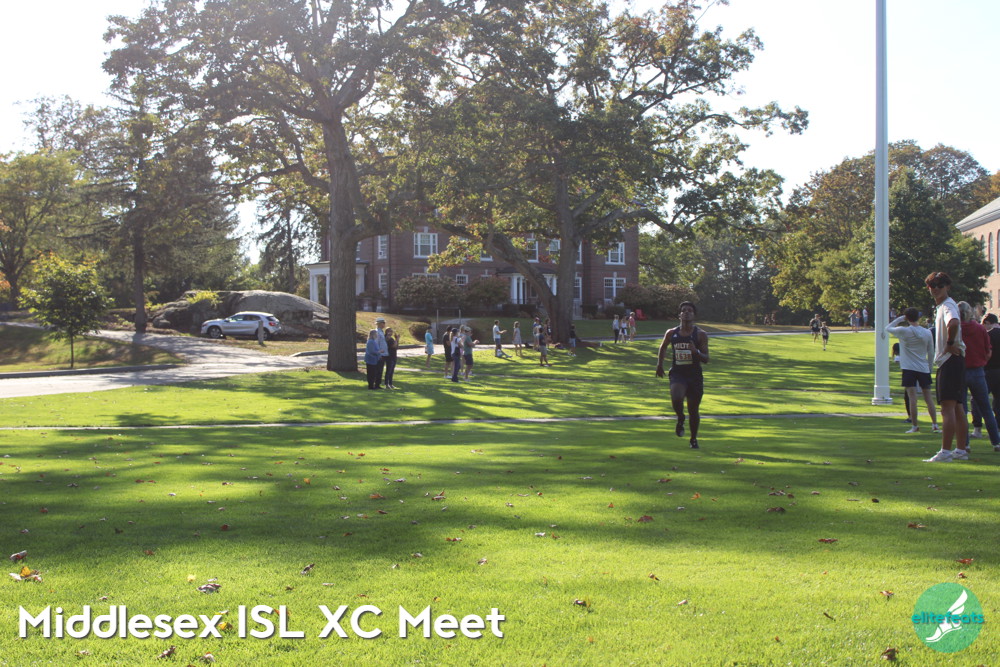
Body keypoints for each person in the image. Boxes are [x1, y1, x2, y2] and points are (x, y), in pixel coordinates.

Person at [923, 272, 968, 462]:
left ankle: (946, 452)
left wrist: (949, 343)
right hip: (954, 361)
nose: (935, 289)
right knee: (957, 407)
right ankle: (961, 450)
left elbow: (954, 322)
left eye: (940, 285)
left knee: (947, 408)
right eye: (932, 286)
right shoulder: (943, 306)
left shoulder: (948, 305)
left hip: (949, 360)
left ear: (947, 287)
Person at [656, 301, 709, 449]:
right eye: (684, 310)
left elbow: (706, 359)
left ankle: (693, 439)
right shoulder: (671, 333)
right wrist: (659, 364)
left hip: (694, 375)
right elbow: (663, 347)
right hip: (678, 373)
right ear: (679, 315)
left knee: (693, 410)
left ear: (694, 315)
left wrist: (695, 352)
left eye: (690, 310)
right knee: (676, 397)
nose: (686, 312)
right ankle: (680, 417)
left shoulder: (700, 334)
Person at [886, 308, 938, 434]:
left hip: (908, 368)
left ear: (907, 318)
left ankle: (915, 425)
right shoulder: (927, 332)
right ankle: (935, 424)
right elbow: (931, 352)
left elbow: (888, 328)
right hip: (923, 368)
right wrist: (929, 367)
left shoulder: (904, 331)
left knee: (912, 398)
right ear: (918, 317)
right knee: (928, 398)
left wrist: (900, 319)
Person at [958, 301, 1000, 448]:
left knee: (962, 409)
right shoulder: (980, 328)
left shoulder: (955, 328)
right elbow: (988, 351)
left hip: (961, 370)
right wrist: (982, 361)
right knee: (986, 408)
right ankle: (996, 442)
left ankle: (965, 444)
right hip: (978, 370)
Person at [982, 313, 1000, 451]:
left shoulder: (989, 335)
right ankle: (998, 427)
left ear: (988, 322)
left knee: (980, 400)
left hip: (989, 370)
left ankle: (977, 427)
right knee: (998, 401)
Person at [374, 317, 389, 389]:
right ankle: (376, 384)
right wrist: (378, 353)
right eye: (383, 323)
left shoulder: (381, 332)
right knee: (378, 370)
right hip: (380, 354)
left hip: (384, 353)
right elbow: (376, 343)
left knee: (380, 369)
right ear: (379, 324)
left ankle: (378, 384)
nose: (384, 324)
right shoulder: (377, 332)